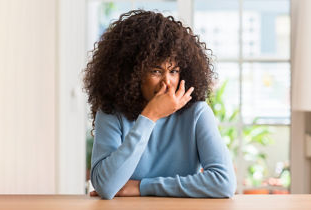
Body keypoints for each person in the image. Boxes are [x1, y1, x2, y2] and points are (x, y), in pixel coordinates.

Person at [83, 9, 236, 200]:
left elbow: (224, 183)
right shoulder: (111, 114)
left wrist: (141, 187)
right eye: (156, 71)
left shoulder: (197, 113)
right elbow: (106, 187)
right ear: (132, 74)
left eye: (173, 71)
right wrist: (150, 117)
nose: (167, 82)